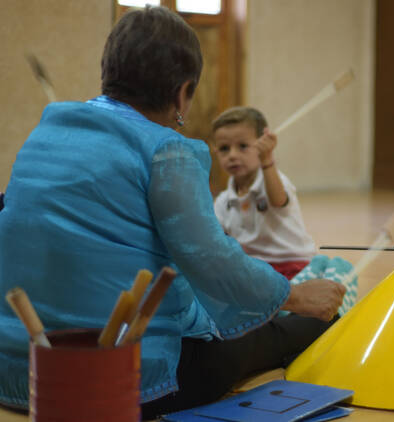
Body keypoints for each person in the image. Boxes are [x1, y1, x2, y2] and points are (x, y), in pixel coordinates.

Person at [0, 6, 346, 419]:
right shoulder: (167, 149)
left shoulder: (46, 132)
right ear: (183, 93)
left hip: (22, 374)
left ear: (108, 71)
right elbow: (210, 260)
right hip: (124, 382)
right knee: (273, 331)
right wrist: (295, 295)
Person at [212, 106, 315, 280]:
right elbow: (214, 237)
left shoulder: (274, 180)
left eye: (243, 146)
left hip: (293, 265)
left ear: (262, 145)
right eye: (224, 149)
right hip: (254, 270)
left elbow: (278, 200)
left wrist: (267, 160)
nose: (232, 155)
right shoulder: (223, 201)